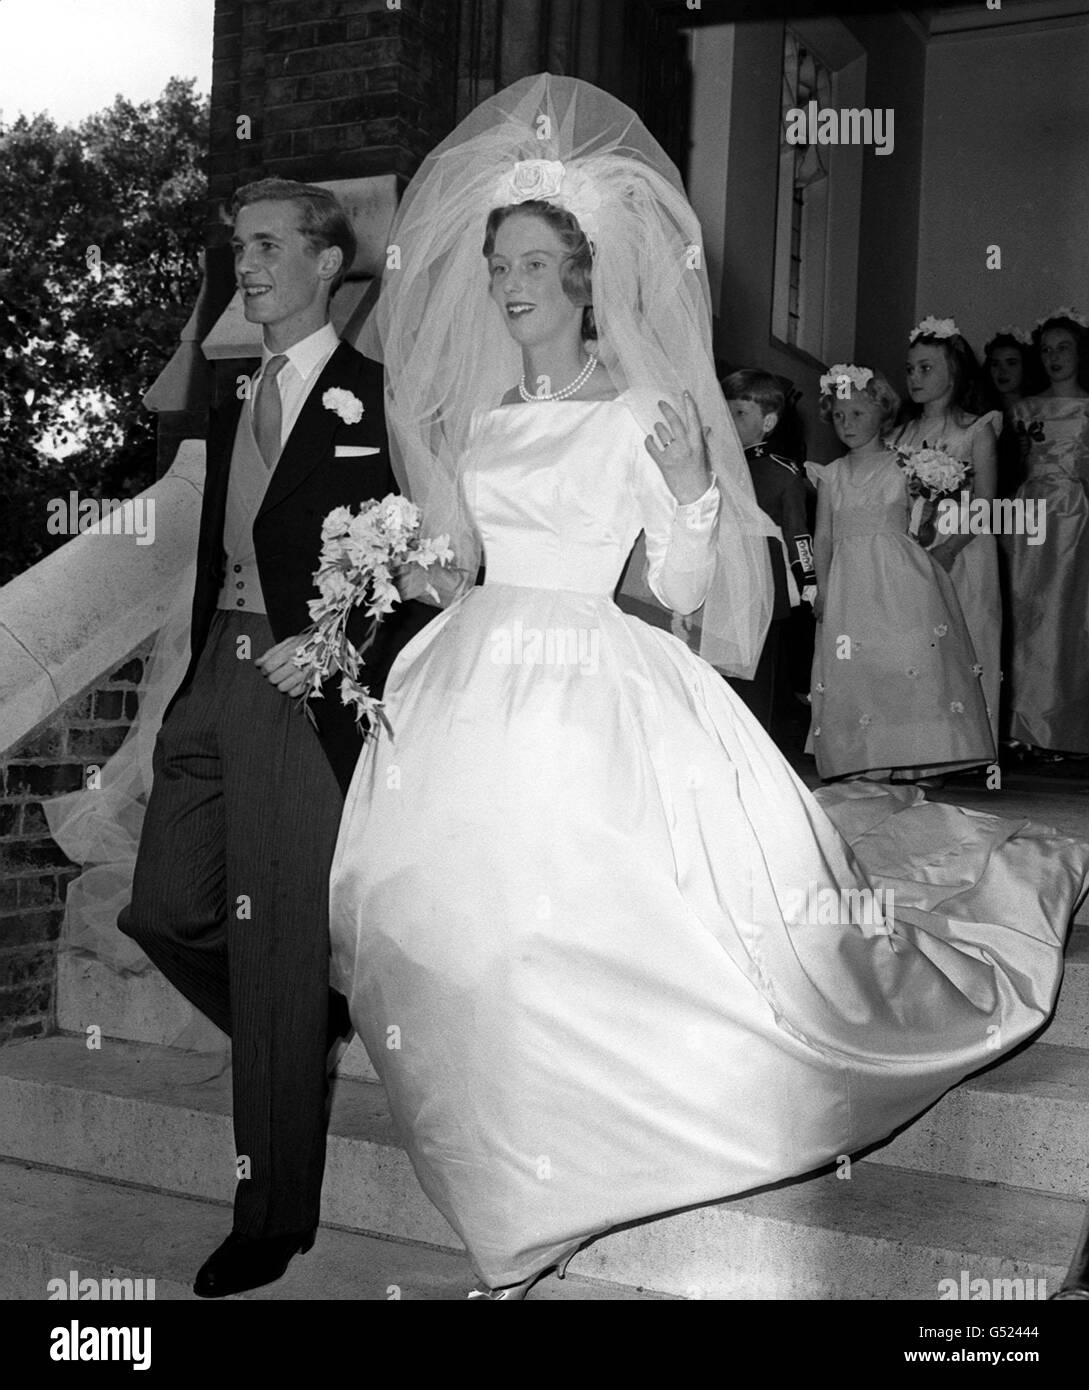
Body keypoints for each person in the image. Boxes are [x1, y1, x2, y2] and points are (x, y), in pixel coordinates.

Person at [331, 76, 1089, 1300]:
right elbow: (454, 567)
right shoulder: (477, 424)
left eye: (533, 261)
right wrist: (396, 559)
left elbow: (685, 583)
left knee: (586, 900)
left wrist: (688, 484)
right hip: (478, 667)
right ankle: (512, 1151)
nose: (511, 284)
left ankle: (570, 1167)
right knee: (453, 898)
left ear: (584, 277)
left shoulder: (643, 407)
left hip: (594, 669)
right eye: (498, 264)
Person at [117, 179, 432, 1297]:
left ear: (327, 261)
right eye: (237, 247)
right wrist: (200, 673)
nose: (243, 266)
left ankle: (272, 1213)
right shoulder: (233, 388)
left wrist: (338, 645)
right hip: (217, 678)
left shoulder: (381, 397)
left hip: (305, 690)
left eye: (264, 246)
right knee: (163, 907)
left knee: (275, 938)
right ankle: (305, 1011)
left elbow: (422, 563)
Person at [807, 364, 993, 780]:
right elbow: (822, 537)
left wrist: (928, 514)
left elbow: (923, 525)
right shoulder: (830, 475)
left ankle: (915, 755)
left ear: (883, 412)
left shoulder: (905, 466)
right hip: (849, 584)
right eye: (838, 415)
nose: (847, 423)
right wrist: (822, 587)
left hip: (900, 580)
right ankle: (862, 757)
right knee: (858, 667)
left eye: (857, 413)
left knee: (904, 663)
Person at [894, 317, 1002, 747]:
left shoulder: (976, 429)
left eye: (926, 368)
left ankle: (966, 743)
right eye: (910, 369)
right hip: (913, 546)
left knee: (962, 641)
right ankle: (921, 744)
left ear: (953, 372)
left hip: (963, 547)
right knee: (917, 644)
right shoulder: (902, 432)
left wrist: (951, 548)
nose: (914, 378)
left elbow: (987, 505)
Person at [1005, 308, 1089, 756]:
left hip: (1072, 516)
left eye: (1064, 348)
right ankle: (1020, 727)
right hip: (1026, 512)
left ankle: (1057, 730)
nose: (1055, 357)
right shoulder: (1025, 408)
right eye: (1047, 350)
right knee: (1023, 614)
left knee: (1061, 618)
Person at [721, 369, 815, 732]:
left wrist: (809, 581)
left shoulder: (782, 474)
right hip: (723, 578)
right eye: (725, 410)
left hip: (763, 582)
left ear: (769, 421)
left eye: (739, 413)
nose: (728, 420)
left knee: (760, 673)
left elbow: (797, 534)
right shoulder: (718, 466)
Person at [983, 325, 1041, 498]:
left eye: (1011, 363)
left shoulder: (1040, 409)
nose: (1002, 371)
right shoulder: (982, 414)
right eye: (995, 364)